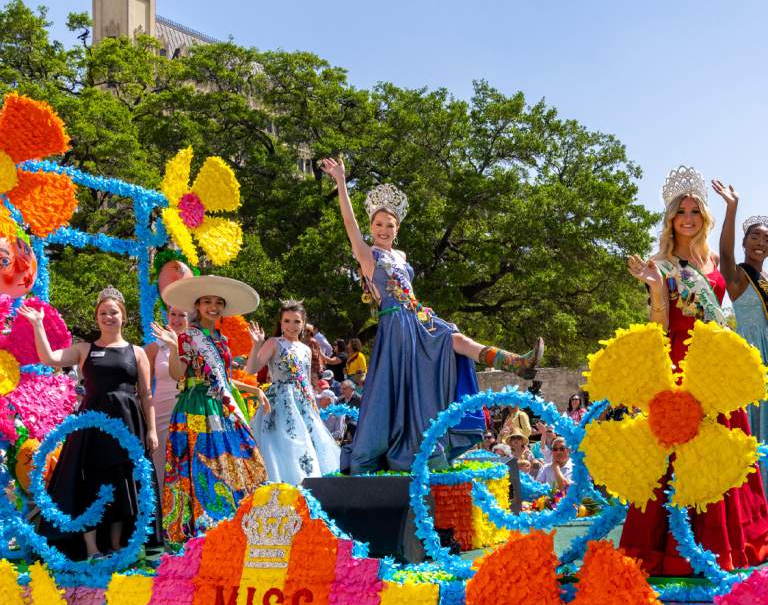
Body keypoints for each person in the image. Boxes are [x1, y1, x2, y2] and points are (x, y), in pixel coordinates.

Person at [321, 157, 543, 472]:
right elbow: (349, 225)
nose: (384, 230)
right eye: (378, 224)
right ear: (371, 227)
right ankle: (398, 446)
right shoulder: (367, 254)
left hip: (419, 317)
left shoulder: (401, 255)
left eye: (390, 225)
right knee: (402, 390)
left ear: (397, 229)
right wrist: (341, 182)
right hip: (396, 324)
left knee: (458, 339)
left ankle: (516, 363)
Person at [624, 165, 768, 575]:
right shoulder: (662, 263)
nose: (688, 217)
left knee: (724, 449)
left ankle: (730, 542)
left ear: (702, 217)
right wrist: (655, 289)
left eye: (694, 211)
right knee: (676, 453)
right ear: (671, 218)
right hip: (680, 365)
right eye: (680, 211)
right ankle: (672, 549)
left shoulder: (711, 259)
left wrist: (733, 209)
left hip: (714, 364)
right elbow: (659, 327)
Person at [19, 287, 158, 559]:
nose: (108, 317)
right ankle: (92, 548)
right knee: (91, 482)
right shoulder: (85, 349)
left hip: (128, 424)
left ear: (123, 316)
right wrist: (38, 325)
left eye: (114, 312)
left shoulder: (137, 352)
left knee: (122, 481)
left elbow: (145, 394)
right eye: (103, 313)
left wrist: (151, 429)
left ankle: (117, 545)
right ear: (97, 318)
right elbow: (50, 359)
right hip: (92, 426)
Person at [159, 275, 268, 544]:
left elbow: (223, 379)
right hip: (194, 408)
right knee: (199, 464)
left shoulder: (221, 340)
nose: (213, 306)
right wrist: (174, 348)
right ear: (197, 305)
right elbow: (178, 373)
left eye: (218, 302)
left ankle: (231, 523)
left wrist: (253, 389)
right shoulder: (187, 336)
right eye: (207, 301)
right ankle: (199, 531)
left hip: (220, 407)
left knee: (238, 459)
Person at [246, 300, 340, 485]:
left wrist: (312, 400)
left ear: (303, 323)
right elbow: (251, 369)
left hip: (303, 402)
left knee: (305, 442)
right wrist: (256, 345)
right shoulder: (274, 343)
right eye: (287, 321)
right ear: (280, 323)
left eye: (296, 321)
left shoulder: (306, 349)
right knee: (281, 443)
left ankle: (306, 488)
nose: (291, 326)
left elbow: (305, 378)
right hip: (278, 403)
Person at [712, 179, 768, 489]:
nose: (761, 242)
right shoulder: (739, 276)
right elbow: (724, 252)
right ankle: (753, 495)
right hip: (750, 357)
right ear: (745, 243)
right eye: (755, 237)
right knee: (752, 427)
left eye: (766, 239)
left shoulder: (766, 279)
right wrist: (732, 208)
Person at [145, 306, 188, 488]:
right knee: (161, 461)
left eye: (182, 315)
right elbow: (143, 386)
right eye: (173, 314)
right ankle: (161, 511)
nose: (176, 319)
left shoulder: (195, 346)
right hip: (162, 412)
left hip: (189, 410)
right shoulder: (154, 348)